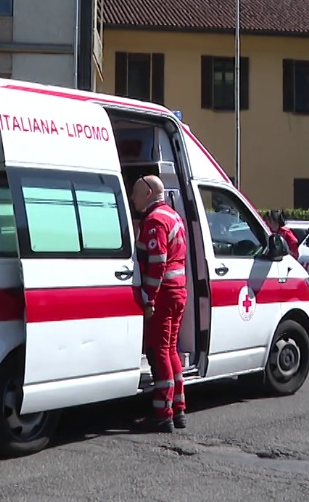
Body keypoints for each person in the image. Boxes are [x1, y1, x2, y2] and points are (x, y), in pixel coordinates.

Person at [130, 175, 188, 433]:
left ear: (150, 192)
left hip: (163, 294)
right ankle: (178, 408)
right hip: (177, 293)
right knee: (171, 349)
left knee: (161, 351)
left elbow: (158, 262)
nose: (132, 198)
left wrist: (148, 298)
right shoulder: (173, 216)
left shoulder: (154, 220)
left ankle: (162, 413)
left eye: (136, 192)